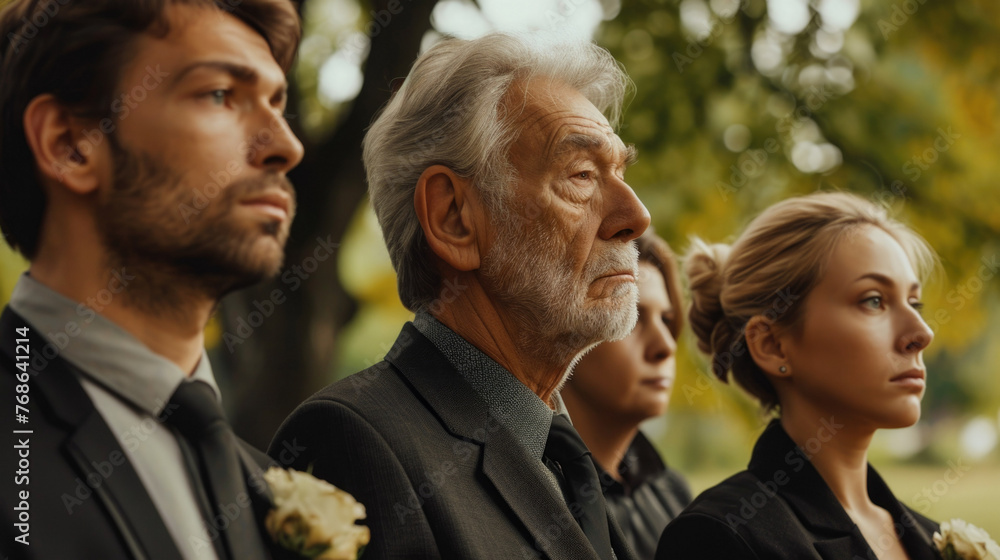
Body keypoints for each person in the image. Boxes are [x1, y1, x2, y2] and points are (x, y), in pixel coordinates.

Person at [270, 33, 649, 560]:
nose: (636, 217)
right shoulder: (353, 443)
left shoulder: (558, 455)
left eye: (621, 173)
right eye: (582, 175)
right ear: (453, 218)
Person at [0, 1, 305, 558]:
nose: (287, 145)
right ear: (70, 145)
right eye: (219, 94)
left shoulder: (269, 490)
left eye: (277, 103)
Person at [655, 192, 941, 560]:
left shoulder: (933, 539)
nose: (922, 333)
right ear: (772, 345)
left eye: (914, 303)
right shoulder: (720, 538)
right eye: (873, 300)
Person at [562, 228, 692, 560]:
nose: (665, 346)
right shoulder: (532, 494)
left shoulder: (676, 497)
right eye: (632, 318)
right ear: (567, 331)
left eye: (667, 320)